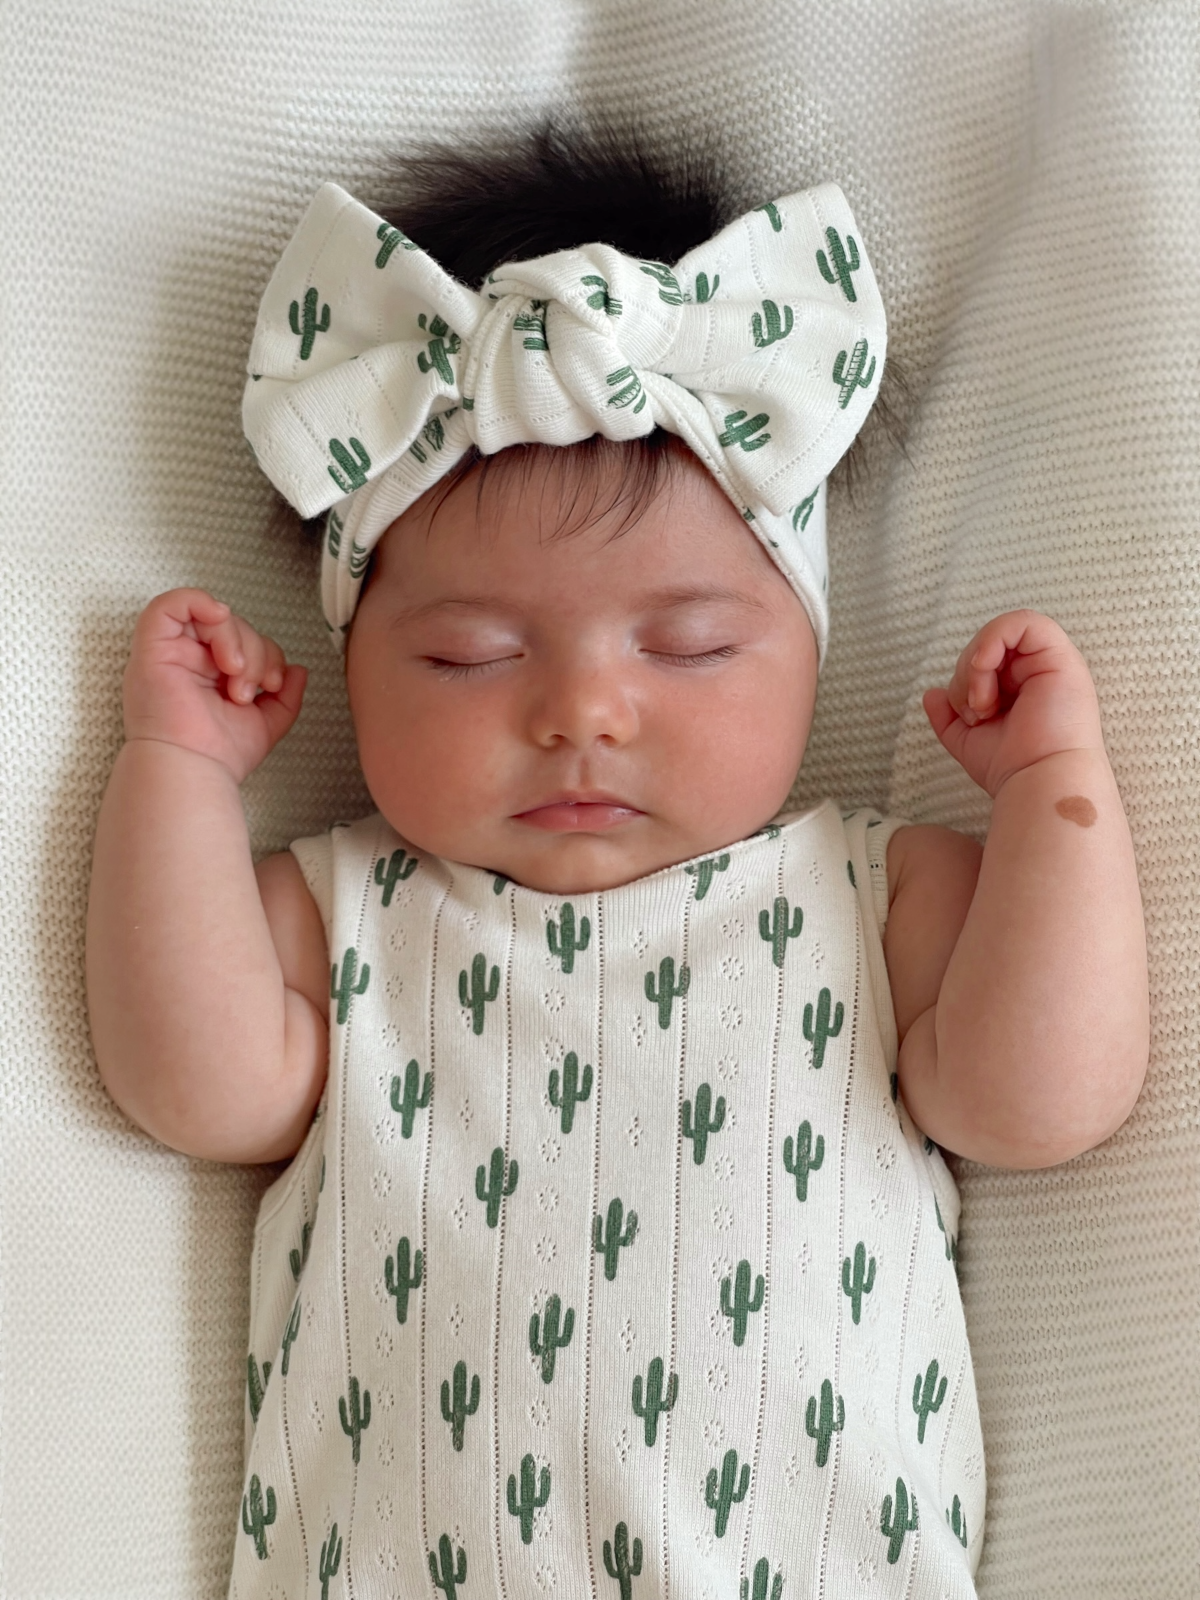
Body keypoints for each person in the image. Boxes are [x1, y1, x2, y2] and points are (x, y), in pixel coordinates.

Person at [85, 123, 1148, 1598]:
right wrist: (181, 779)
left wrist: (1051, 799)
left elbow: (1045, 1100)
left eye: (690, 645)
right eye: (471, 655)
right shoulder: (348, 916)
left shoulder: (861, 898)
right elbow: (190, 1085)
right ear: (358, 660)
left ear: (803, 646)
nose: (580, 710)